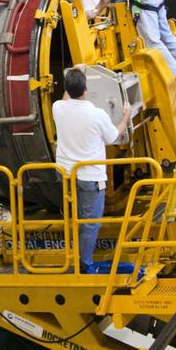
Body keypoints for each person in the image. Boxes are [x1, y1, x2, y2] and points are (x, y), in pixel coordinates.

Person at [52, 67, 130, 272]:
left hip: (66, 175)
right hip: (90, 177)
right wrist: (126, 116)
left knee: (74, 218)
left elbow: (65, 97)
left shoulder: (57, 108)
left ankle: (74, 257)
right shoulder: (98, 114)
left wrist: (73, 74)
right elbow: (114, 137)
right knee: (90, 222)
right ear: (86, 88)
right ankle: (83, 264)